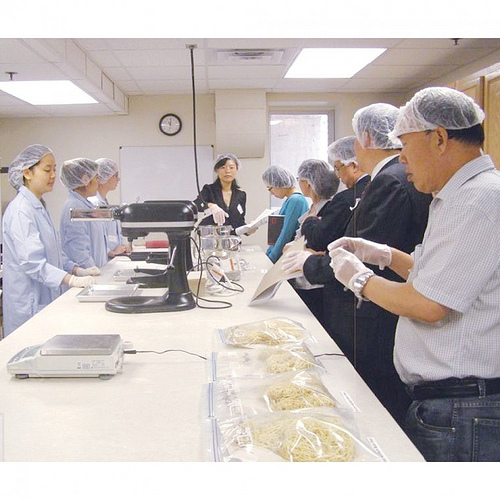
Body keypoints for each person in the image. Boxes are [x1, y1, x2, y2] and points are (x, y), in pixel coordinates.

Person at [328, 87, 500, 462]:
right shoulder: (458, 196)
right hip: (451, 405)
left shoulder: (477, 201)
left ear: (439, 139)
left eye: (404, 144)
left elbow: (428, 303)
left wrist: (359, 278)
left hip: (465, 408)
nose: (401, 157)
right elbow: (432, 276)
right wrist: (385, 256)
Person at [281, 103, 432, 426]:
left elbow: (357, 263)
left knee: (376, 406)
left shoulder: (389, 181)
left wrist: (310, 264)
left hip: (374, 317)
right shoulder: (392, 179)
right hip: (386, 307)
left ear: (365, 137)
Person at [2, 145, 96, 336]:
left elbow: (53, 251)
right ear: (27, 172)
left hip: (45, 298)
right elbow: (32, 262)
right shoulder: (21, 211)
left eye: (54, 169)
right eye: (47, 170)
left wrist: (75, 269)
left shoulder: (38, 207)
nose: (53, 175)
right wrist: (71, 280)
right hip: (29, 303)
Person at [288, 158, 339, 323]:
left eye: (299, 180)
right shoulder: (313, 207)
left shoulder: (330, 210)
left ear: (308, 183)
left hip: (314, 282)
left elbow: (320, 245)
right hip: (300, 276)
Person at [300, 136, 370, 252]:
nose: (337, 175)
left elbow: (319, 240)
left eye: (338, 168)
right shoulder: (373, 186)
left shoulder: (344, 199)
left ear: (353, 166)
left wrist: (310, 220)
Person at [60, 158, 109, 269]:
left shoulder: (85, 205)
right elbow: (78, 250)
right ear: (85, 180)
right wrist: (91, 271)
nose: (98, 182)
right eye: (96, 177)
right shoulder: (75, 207)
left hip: (94, 271)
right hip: (86, 275)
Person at [262, 164, 309, 263]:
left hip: (288, 257)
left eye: (270, 188)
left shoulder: (296, 200)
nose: (271, 193)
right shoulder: (290, 200)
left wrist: (271, 259)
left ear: (279, 183)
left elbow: (285, 234)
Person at [194, 153, 248, 234]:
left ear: (237, 169)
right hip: (209, 238)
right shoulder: (209, 189)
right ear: (216, 170)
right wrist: (211, 206)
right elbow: (196, 204)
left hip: (231, 241)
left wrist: (248, 229)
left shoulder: (241, 195)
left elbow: (239, 222)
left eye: (231, 167)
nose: (227, 171)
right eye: (223, 167)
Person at [88, 158, 131, 258]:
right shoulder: (94, 204)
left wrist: (123, 246)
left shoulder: (104, 203)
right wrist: (110, 252)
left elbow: (113, 234)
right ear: (103, 178)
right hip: (104, 260)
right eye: (115, 175)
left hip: (112, 258)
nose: (118, 179)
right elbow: (94, 238)